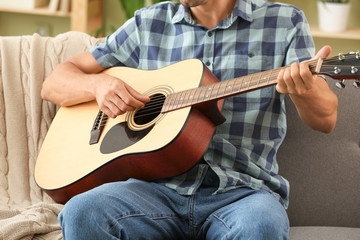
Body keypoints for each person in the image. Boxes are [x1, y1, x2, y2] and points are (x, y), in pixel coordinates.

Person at [41, 0, 338, 239]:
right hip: (153, 192)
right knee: (83, 212)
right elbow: (54, 82)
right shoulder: (148, 23)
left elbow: (326, 119)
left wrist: (303, 89)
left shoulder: (284, 22)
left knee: (261, 226)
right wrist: (98, 86)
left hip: (242, 195)